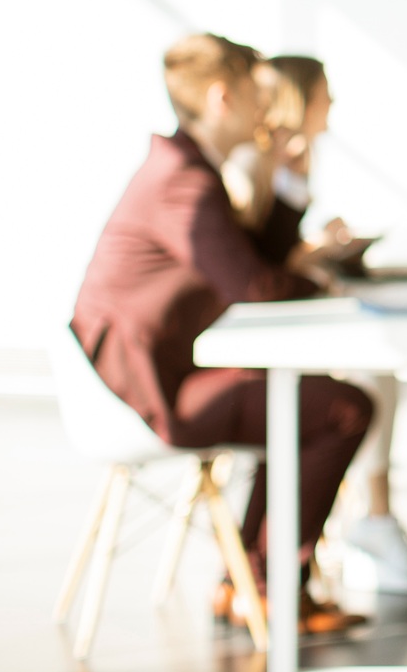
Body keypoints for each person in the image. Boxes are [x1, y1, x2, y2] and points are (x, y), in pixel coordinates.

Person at [70, 34, 373, 635]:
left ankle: (253, 582)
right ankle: (263, 587)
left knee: (302, 399)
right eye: (260, 97)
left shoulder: (186, 170)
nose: (268, 114)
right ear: (221, 97)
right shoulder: (182, 182)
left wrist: (290, 186)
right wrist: (325, 287)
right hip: (148, 392)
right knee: (341, 409)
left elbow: (254, 260)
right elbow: (254, 284)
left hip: (160, 374)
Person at [262, 54, 407, 597]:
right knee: (367, 381)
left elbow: (280, 249)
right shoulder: (267, 161)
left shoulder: (298, 161)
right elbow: (263, 261)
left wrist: (321, 249)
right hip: (273, 328)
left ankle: (378, 521)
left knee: (381, 372)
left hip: (296, 306)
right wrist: (316, 251)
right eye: (326, 93)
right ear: (302, 99)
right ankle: (375, 525)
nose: (334, 104)